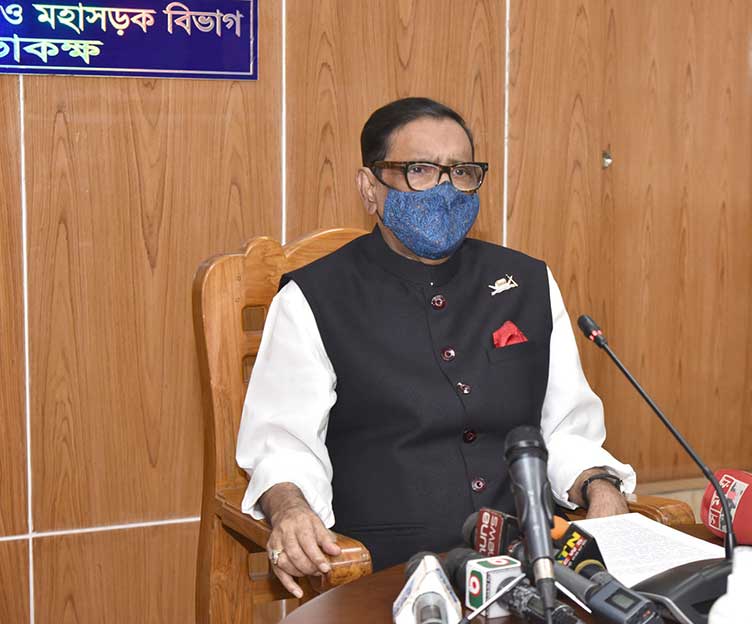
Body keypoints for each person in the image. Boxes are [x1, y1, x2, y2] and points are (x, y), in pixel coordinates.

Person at [236, 97, 636, 597]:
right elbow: (283, 445)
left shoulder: (527, 283)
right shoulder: (313, 298)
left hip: (527, 562)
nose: (445, 190)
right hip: (384, 573)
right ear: (369, 187)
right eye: (420, 170)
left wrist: (599, 483)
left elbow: (563, 429)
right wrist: (291, 509)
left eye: (461, 171)